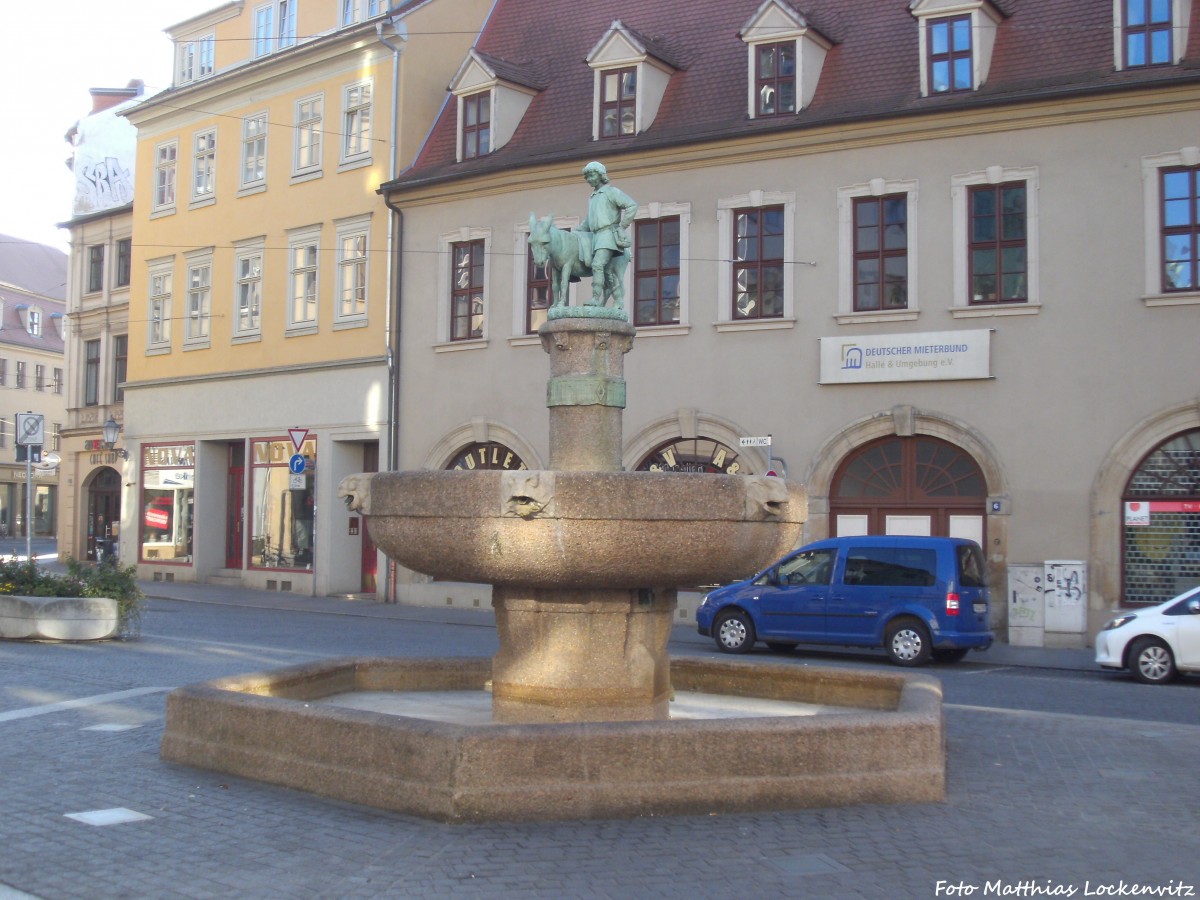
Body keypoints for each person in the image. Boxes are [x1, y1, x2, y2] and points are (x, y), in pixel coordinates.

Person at [576, 161, 637, 307]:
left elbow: (632, 205)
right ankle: (619, 300)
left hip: (608, 235)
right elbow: (588, 221)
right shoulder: (593, 197)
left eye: (592, 175)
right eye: (587, 177)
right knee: (607, 271)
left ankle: (596, 299)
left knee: (597, 265)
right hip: (596, 237)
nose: (589, 179)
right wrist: (575, 233)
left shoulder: (611, 192)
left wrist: (622, 226)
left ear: (600, 175)